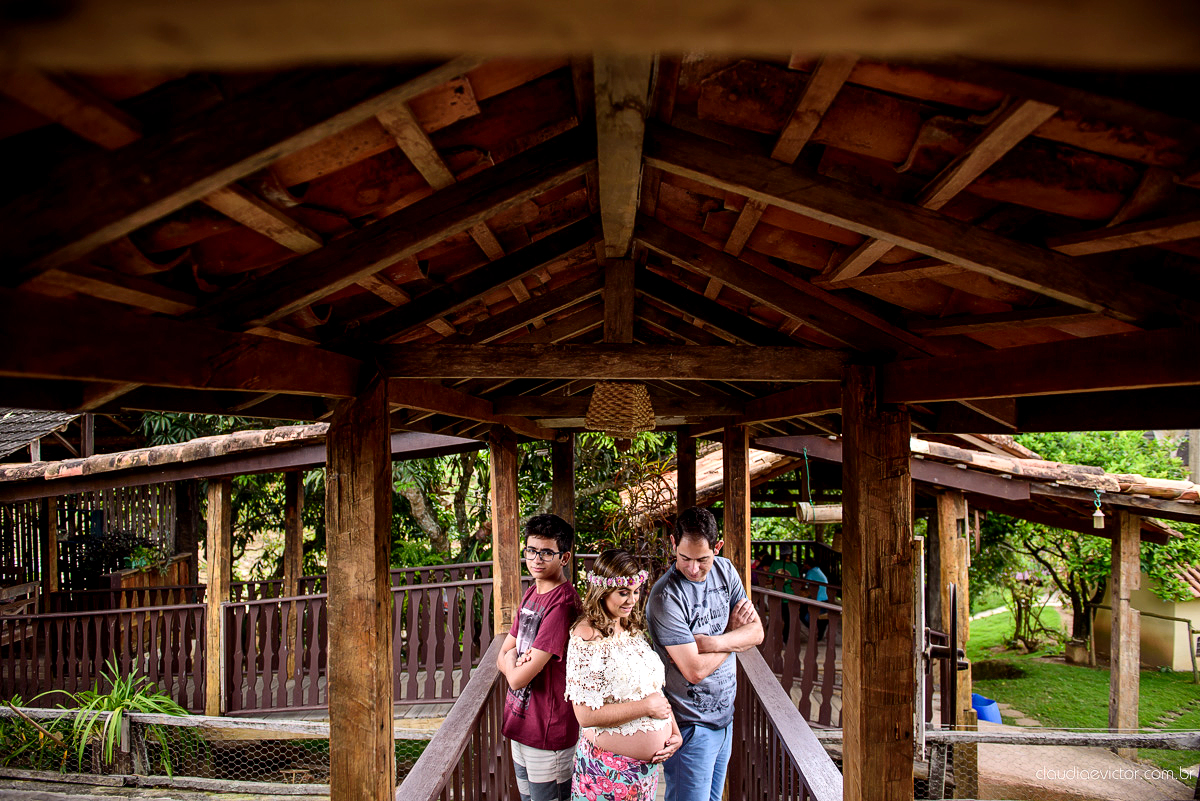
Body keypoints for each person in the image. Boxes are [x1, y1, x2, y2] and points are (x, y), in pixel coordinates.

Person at [647, 507, 764, 801]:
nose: (693, 568)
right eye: (684, 558)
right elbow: (694, 671)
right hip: (689, 723)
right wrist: (734, 636)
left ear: (718, 547)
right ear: (674, 544)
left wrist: (714, 640)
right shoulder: (666, 597)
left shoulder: (725, 570)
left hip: (725, 716)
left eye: (703, 559)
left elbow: (757, 633)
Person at [566, 549, 682, 801]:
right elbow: (585, 716)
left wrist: (675, 733)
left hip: (644, 776)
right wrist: (645, 708)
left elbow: (652, 691)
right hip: (606, 774)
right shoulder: (586, 636)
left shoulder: (632, 629)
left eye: (636, 591)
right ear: (603, 591)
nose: (632, 600)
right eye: (623, 592)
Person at [498, 513, 583, 801]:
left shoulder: (562, 604)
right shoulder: (533, 591)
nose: (536, 559)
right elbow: (503, 654)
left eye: (547, 552)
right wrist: (512, 664)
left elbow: (518, 677)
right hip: (522, 722)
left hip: (549, 731)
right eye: (531, 551)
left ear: (564, 557)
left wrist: (513, 665)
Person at [799, 556, 830, 641]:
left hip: (818, 599)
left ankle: (814, 630)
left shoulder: (811, 572)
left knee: (803, 614)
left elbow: (804, 585)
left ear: (807, 565)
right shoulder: (817, 570)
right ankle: (818, 632)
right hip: (825, 598)